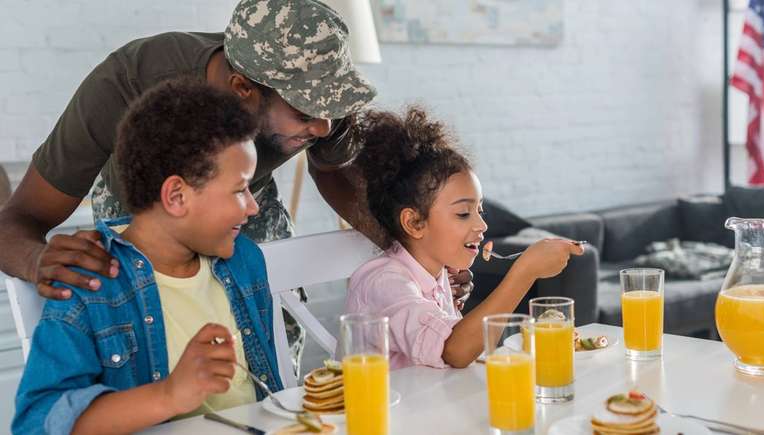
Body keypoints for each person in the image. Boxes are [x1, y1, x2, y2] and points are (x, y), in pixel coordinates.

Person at [0, 0, 474, 369]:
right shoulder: (125, 86)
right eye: (306, 113)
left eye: (331, 110)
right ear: (243, 89)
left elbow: (330, 169)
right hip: (138, 206)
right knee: (159, 341)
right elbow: (17, 220)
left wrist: (413, 252)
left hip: (254, 194)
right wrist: (37, 258)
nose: (326, 127)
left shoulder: (319, 103)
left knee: (273, 328)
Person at [13, 79, 284, 434]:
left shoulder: (243, 260)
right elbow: (36, 424)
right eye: (239, 189)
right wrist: (170, 394)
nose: (252, 207)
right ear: (176, 196)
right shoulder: (90, 282)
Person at [346, 107, 584, 369]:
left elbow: (462, 353)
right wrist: (524, 272)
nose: (481, 225)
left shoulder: (438, 275)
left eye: (479, 210)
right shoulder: (385, 282)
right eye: (463, 213)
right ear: (414, 223)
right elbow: (454, 351)